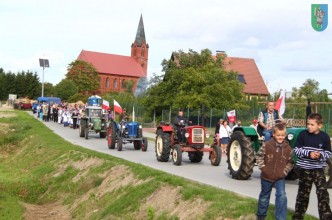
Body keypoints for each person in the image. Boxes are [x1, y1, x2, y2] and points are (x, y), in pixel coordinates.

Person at [292, 113, 332, 220]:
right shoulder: (302, 135)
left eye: (312, 124)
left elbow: (328, 152)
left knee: (323, 193)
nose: (309, 126)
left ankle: (326, 217)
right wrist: (308, 154)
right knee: (303, 195)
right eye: (308, 124)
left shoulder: (325, 137)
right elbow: (296, 150)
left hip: (318, 169)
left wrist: (320, 155)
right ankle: (298, 216)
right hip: (304, 169)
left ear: (319, 125)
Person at [256, 123, 294, 220]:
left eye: (282, 135)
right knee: (264, 197)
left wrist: (284, 172)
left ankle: (280, 218)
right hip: (266, 176)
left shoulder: (288, 148)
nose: (280, 137)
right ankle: (261, 216)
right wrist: (263, 168)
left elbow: (290, 162)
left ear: (285, 135)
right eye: (278, 135)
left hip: (280, 177)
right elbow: (259, 157)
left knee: (281, 196)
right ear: (273, 134)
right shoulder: (267, 145)